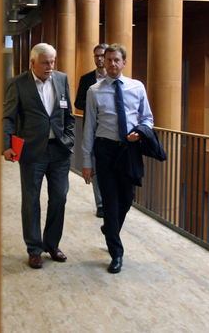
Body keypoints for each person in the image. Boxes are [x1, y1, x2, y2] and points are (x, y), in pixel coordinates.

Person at [81, 43, 153, 274]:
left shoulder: (137, 87)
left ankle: (109, 229)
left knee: (127, 199)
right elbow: (89, 127)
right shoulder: (94, 90)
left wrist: (140, 131)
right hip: (105, 150)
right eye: (108, 59)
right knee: (110, 201)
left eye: (116, 60)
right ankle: (116, 253)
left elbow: (148, 119)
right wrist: (86, 162)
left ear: (124, 62)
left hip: (129, 150)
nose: (111, 63)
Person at [3, 43, 75, 269]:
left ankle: (51, 244)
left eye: (53, 61)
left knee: (59, 198)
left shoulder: (61, 79)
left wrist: (69, 138)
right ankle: (34, 249)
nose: (50, 66)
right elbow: (7, 117)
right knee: (31, 201)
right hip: (32, 152)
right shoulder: (18, 83)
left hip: (59, 151)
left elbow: (69, 115)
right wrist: (5, 145)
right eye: (46, 62)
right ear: (33, 63)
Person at [74, 43, 109, 218]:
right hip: (92, 129)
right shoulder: (87, 79)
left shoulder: (115, 79)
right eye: (96, 55)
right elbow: (77, 102)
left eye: (102, 55)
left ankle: (111, 201)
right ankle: (101, 204)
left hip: (110, 130)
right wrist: (91, 103)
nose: (99, 58)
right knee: (94, 165)